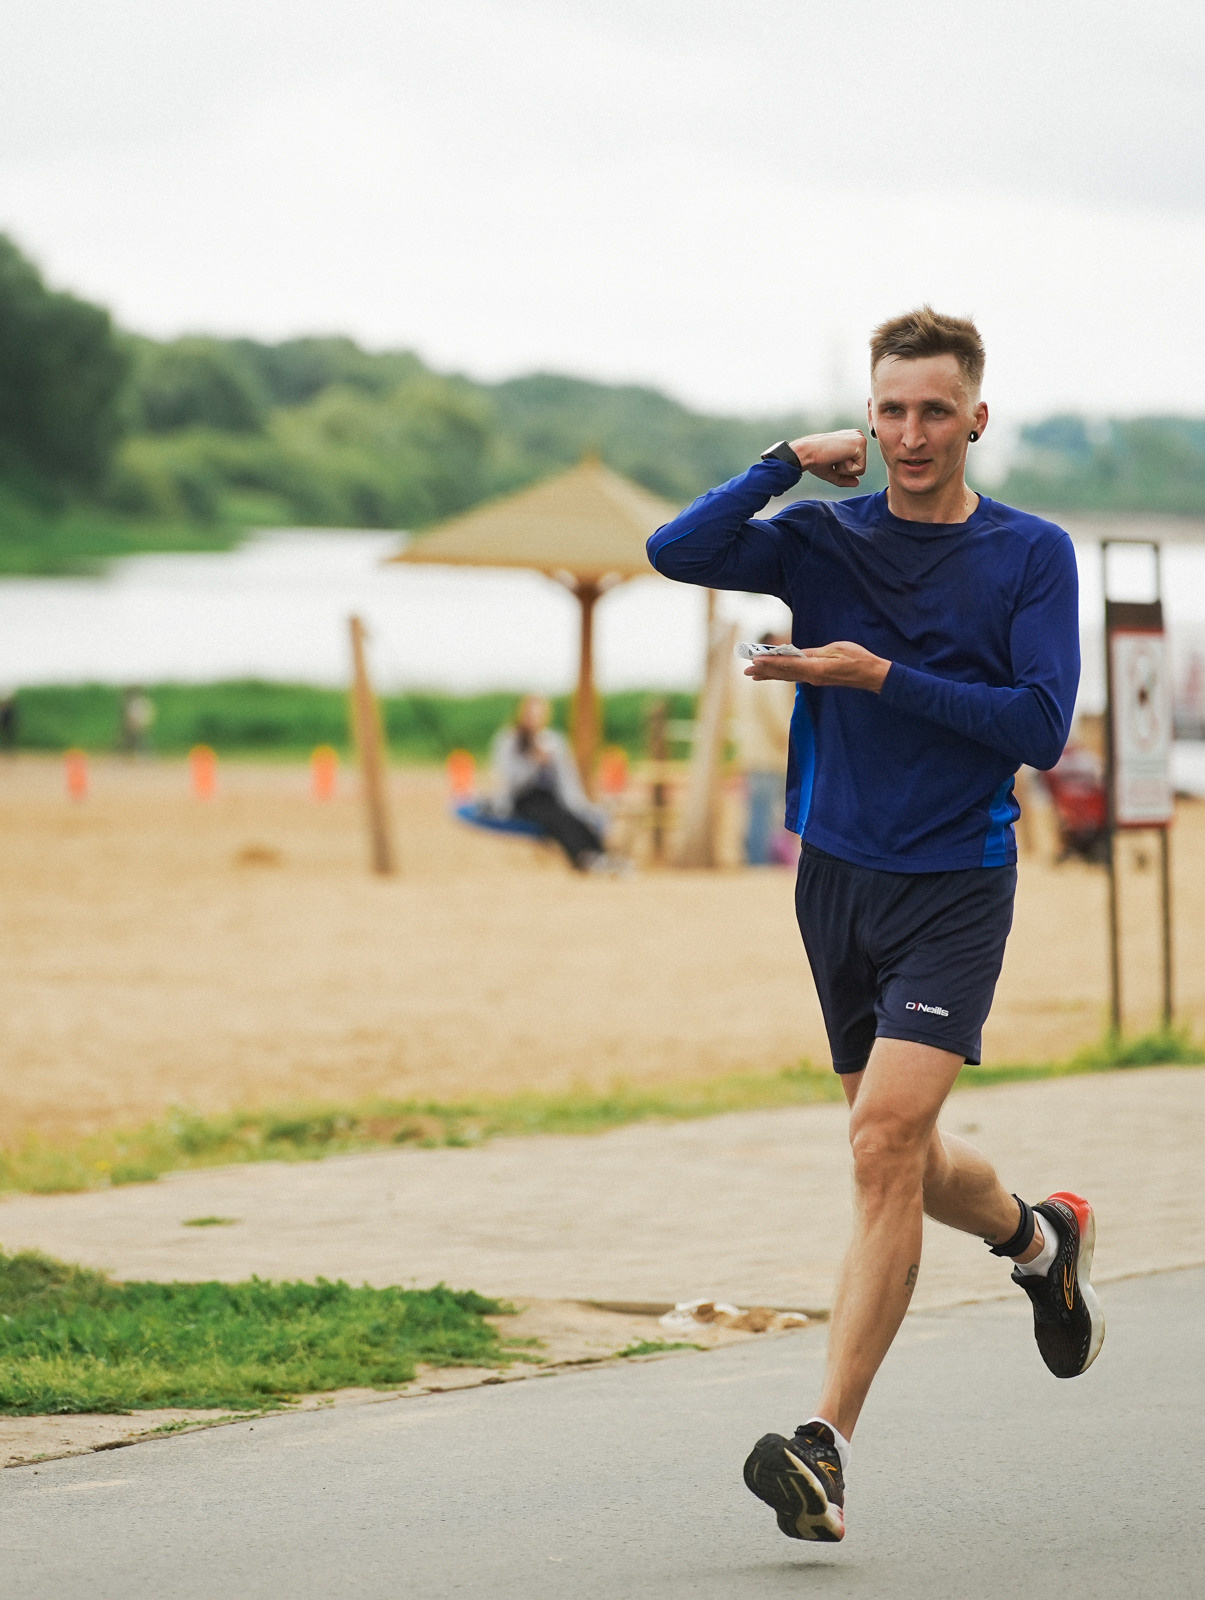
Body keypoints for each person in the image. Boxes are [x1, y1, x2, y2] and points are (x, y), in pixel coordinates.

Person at [647, 308, 1090, 1544]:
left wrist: (872, 675)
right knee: (894, 1146)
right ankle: (1037, 1237)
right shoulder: (822, 541)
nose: (909, 434)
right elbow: (675, 549)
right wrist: (788, 457)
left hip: (957, 878)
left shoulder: (1031, 554)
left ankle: (825, 1445)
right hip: (835, 877)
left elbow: (1040, 727)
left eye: (934, 411)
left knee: (883, 1142)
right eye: (890, 410)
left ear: (977, 419)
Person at [481, 694, 621, 874]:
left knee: (572, 815)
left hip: (551, 797)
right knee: (556, 817)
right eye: (530, 713)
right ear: (521, 713)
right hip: (522, 799)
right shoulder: (510, 741)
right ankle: (581, 857)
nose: (534, 719)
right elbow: (509, 783)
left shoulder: (552, 741)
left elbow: (567, 781)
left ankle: (599, 855)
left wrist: (583, 808)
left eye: (539, 714)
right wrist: (534, 764)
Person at [736, 631, 797, 866]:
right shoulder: (769, 680)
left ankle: (755, 861)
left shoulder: (747, 677)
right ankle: (759, 864)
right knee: (767, 813)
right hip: (769, 755)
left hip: (753, 753)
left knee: (757, 811)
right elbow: (779, 719)